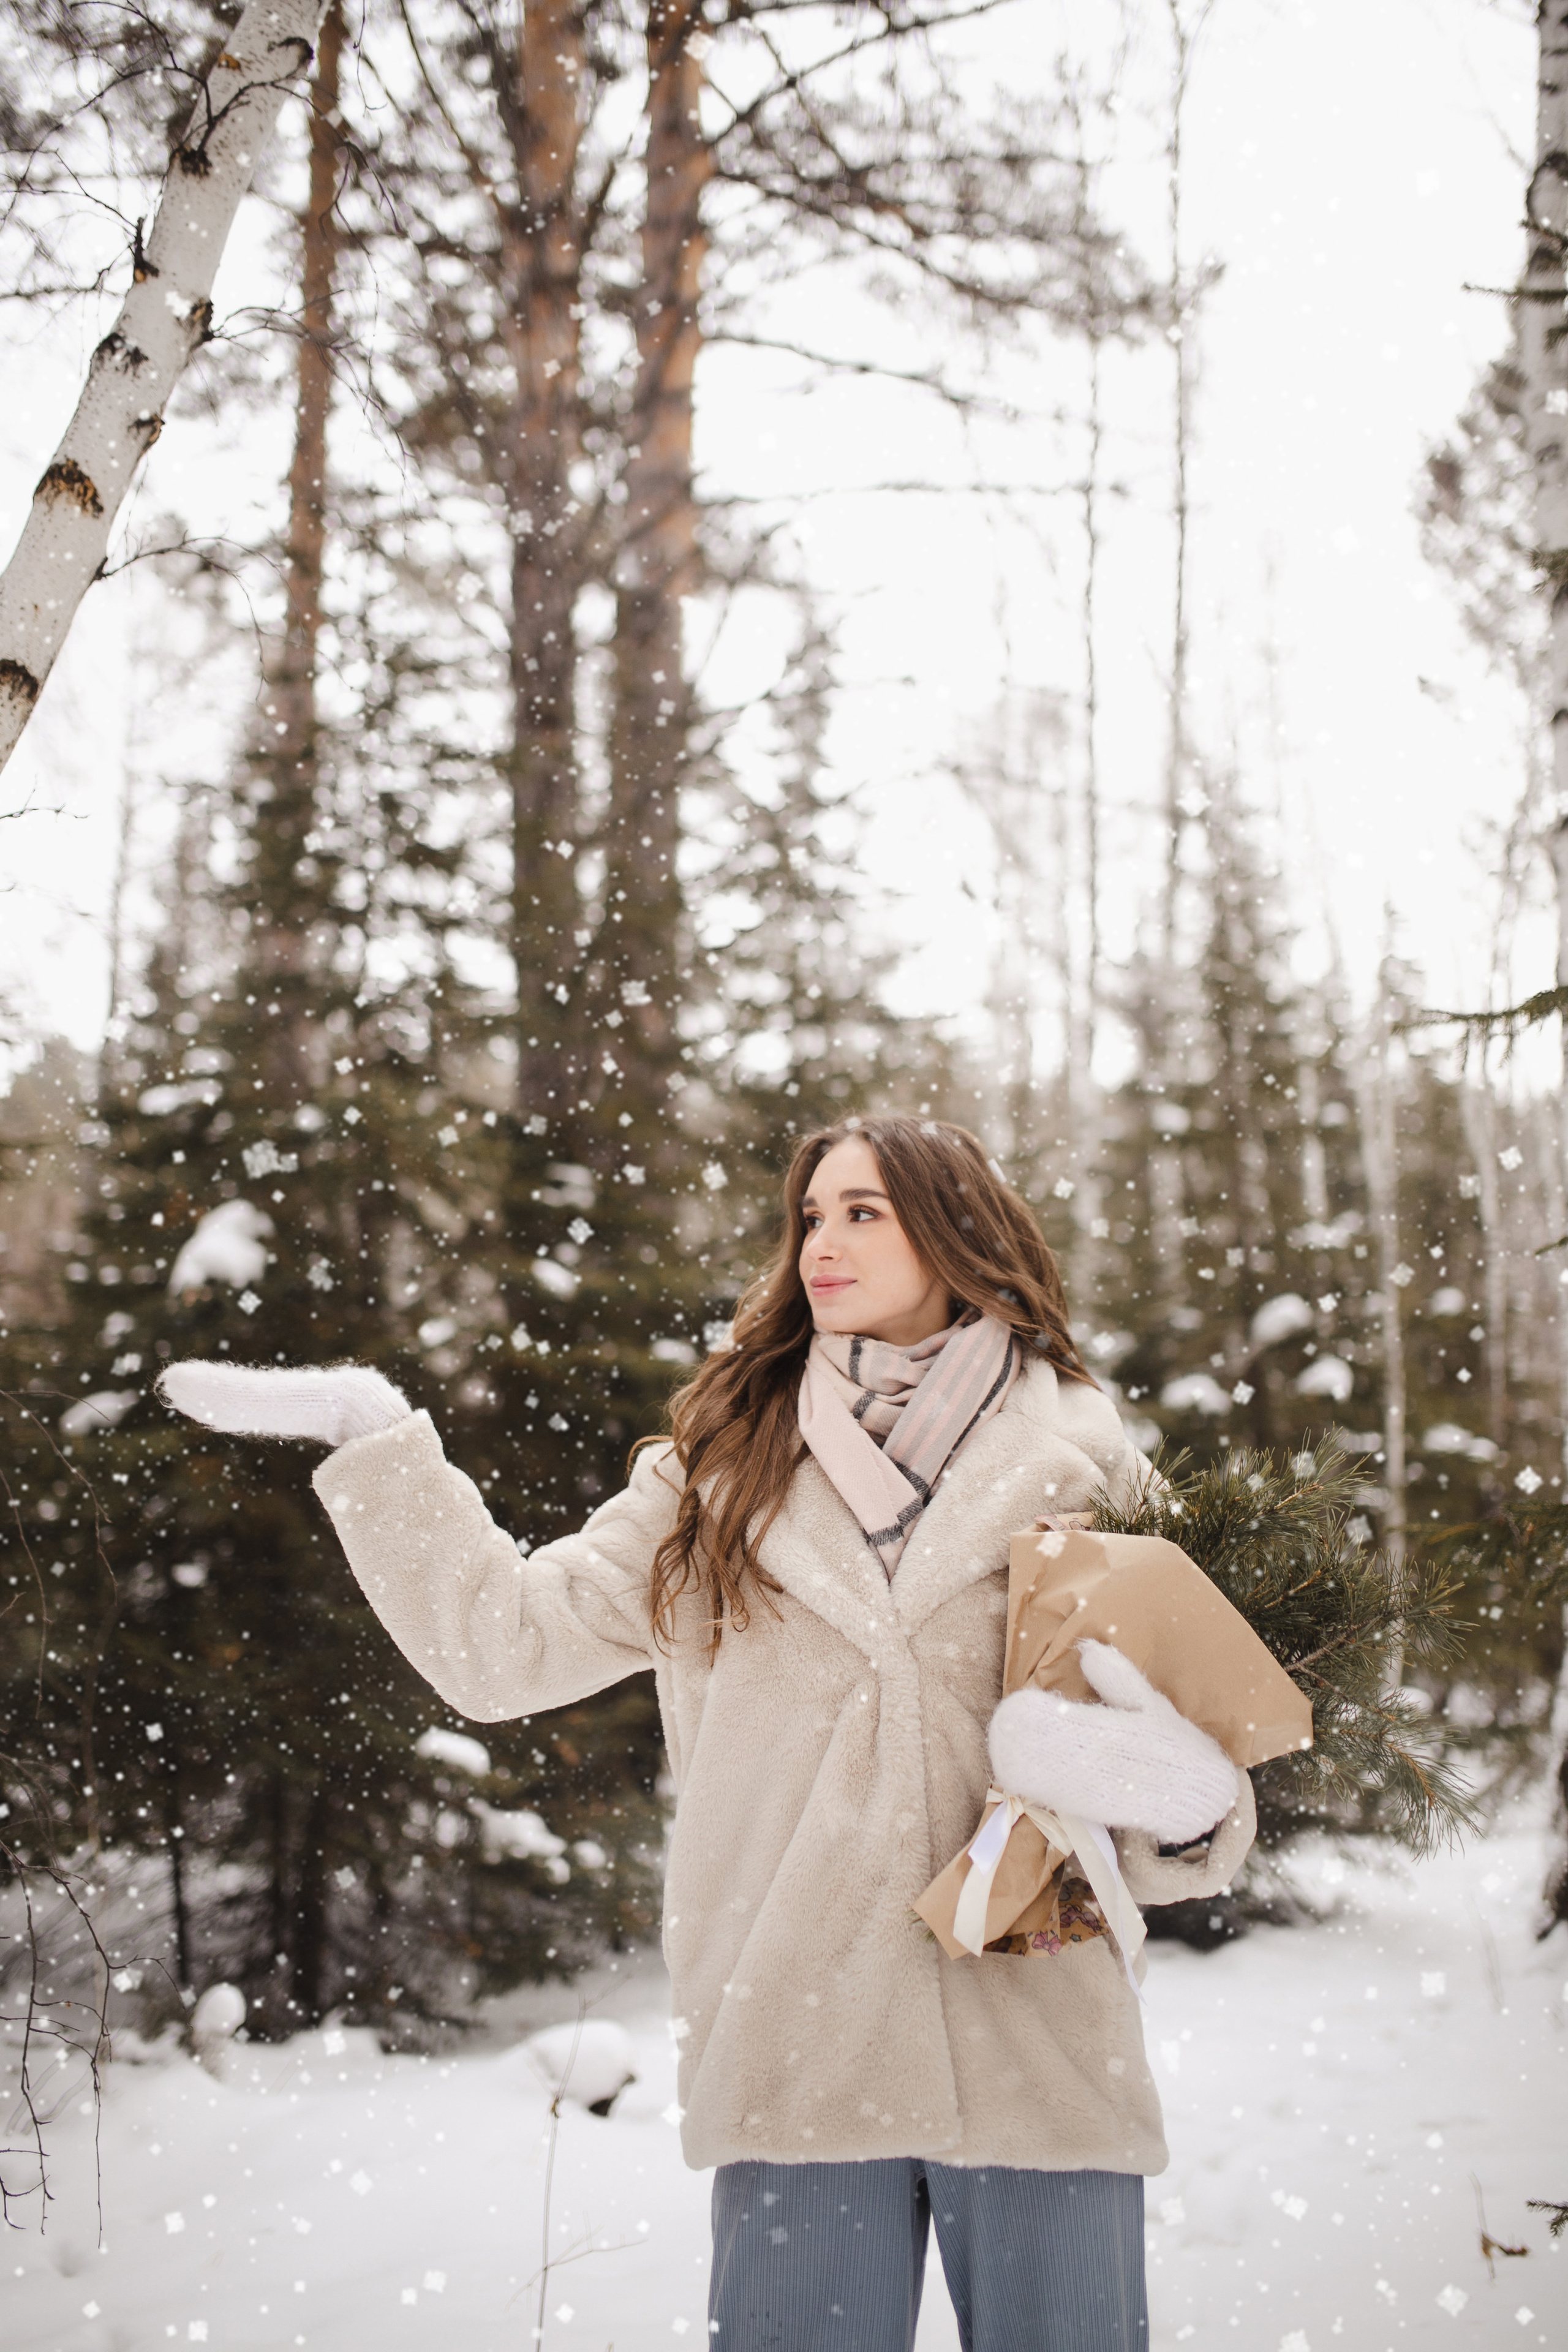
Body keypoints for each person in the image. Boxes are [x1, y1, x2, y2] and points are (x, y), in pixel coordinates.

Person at [160, 1114, 1250, 2352]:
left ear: (956, 1235)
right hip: (795, 2037)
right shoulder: (720, 1473)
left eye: (861, 1213)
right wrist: (377, 1444)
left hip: (1039, 2032)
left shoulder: (1092, 1467)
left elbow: (1199, 1766)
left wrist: (1187, 1802)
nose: (818, 1243)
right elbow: (501, 1646)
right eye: (808, 1216)